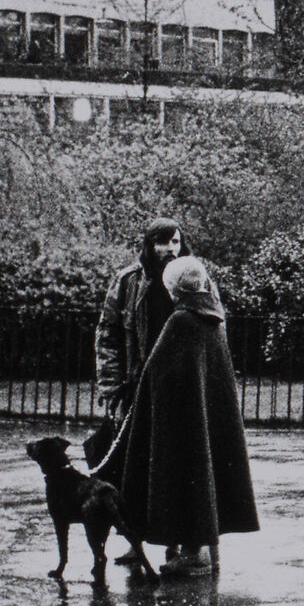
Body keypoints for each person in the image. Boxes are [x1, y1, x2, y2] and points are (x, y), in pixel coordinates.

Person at [113, 255, 259, 577]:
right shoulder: (213, 317)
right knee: (205, 476)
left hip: (181, 422)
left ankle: (194, 555)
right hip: (202, 416)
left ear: (174, 289)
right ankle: (208, 550)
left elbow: (157, 371)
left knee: (188, 476)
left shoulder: (182, 321)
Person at [96, 218, 183, 418]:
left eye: (175, 242)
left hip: (181, 380)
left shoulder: (193, 280)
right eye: (163, 242)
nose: (170, 248)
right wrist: (111, 389)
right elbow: (108, 336)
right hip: (139, 381)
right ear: (150, 245)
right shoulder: (128, 281)